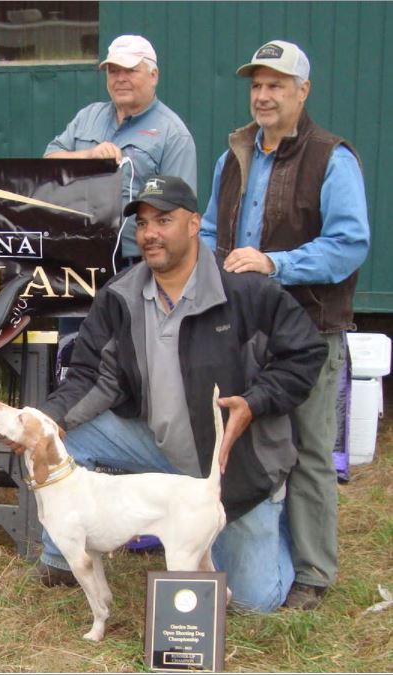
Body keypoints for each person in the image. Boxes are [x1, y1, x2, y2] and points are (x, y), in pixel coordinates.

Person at [28, 176, 328, 613]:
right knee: (65, 436)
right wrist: (45, 420)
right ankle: (64, 556)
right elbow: (90, 375)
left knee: (252, 602)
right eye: (143, 223)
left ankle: (268, 520)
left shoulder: (247, 291)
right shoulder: (121, 295)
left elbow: (306, 353)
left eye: (163, 220)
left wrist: (256, 401)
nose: (150, 233)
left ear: (194, 224)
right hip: (159, 446)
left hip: (234, 463)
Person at [199, 40, 371, 610]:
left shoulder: (332, 158)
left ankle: (314, 572)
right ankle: (250, 557)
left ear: (304, 91)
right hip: (241, 330)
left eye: (276, 85)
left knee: (311, 450)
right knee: (245, 444)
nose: (264, 95)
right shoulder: (232, 156)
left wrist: (276, 263)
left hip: (309, 330)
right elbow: (208, 231)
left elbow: (349, 244)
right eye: (257, 85)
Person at [45, 34, 198, 273]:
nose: (120, 79)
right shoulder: (88, 117)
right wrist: (87, 155)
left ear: (154, 75)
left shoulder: (173, 134)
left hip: (136, 263)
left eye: (130, 71)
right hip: (76, 257)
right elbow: (47, 165)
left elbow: (180, 210)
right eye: (113, 71)